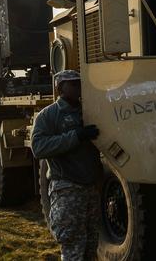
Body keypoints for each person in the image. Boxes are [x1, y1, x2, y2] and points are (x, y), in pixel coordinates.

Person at [31, 70, 101, 261]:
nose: (78, 87)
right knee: (72, 247)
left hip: (90, 189)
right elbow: (38, 148)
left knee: (91, 246)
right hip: (67, 189)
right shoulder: (49, 115)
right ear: (61, 88)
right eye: (73, 84)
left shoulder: (88, 110)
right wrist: (76, 136)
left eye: (80, 83)